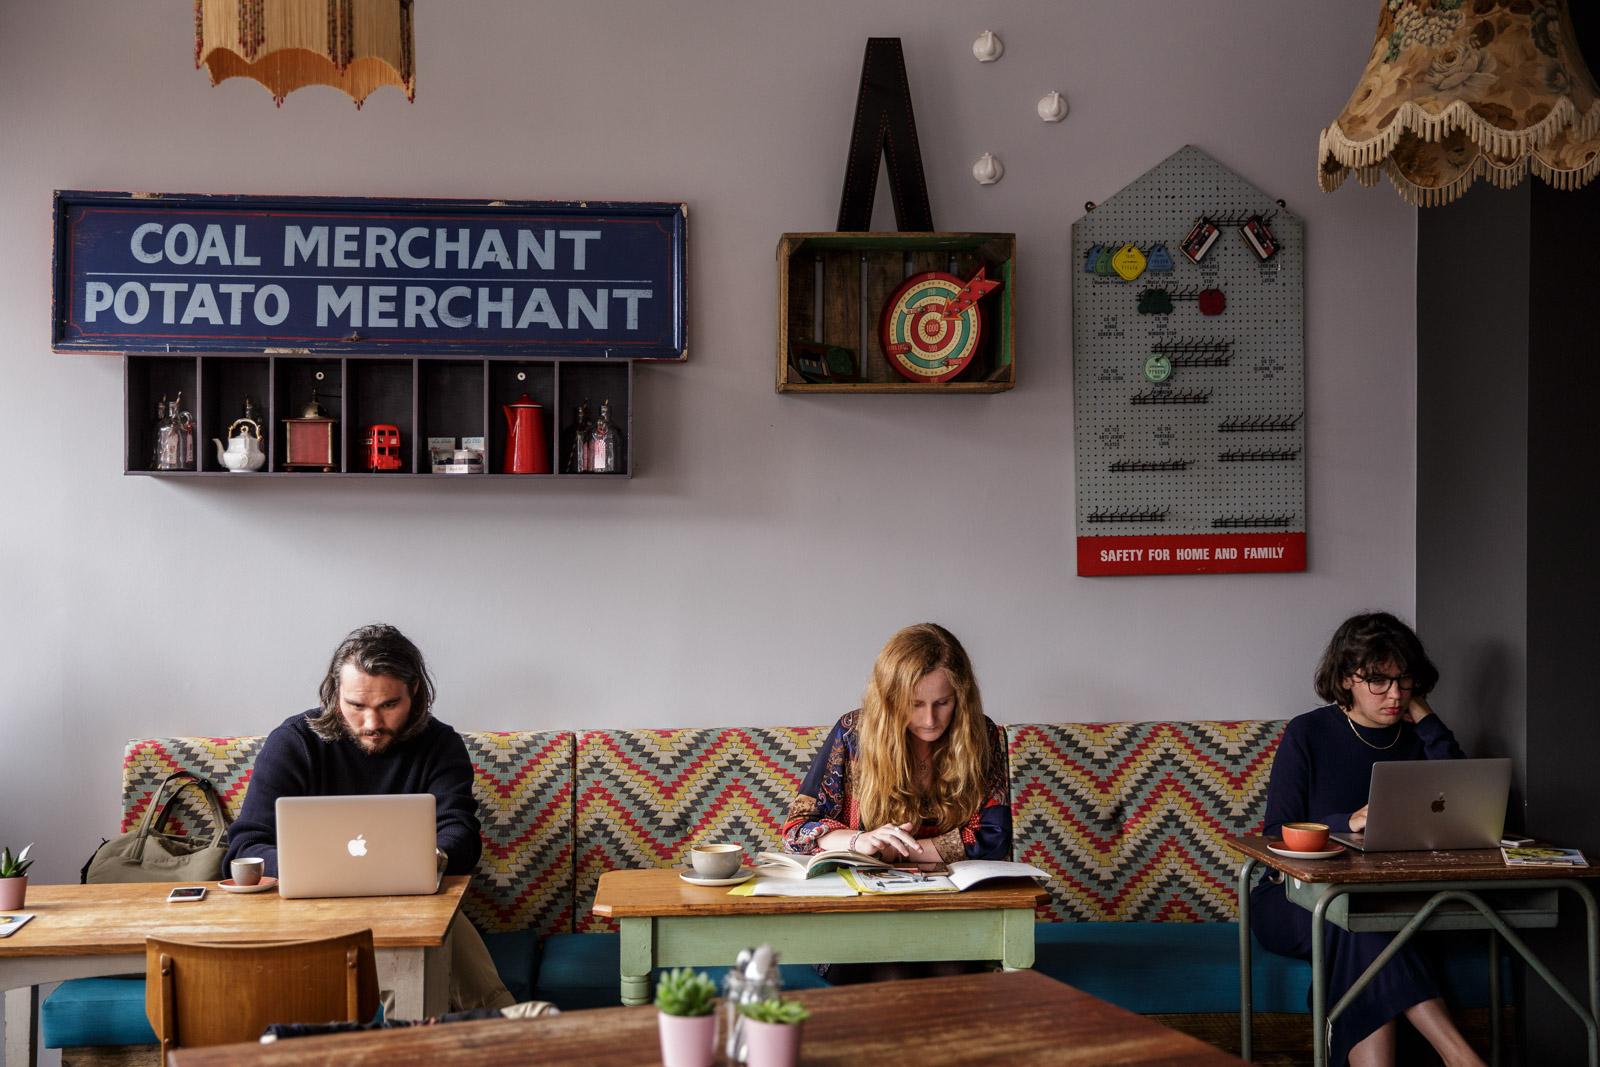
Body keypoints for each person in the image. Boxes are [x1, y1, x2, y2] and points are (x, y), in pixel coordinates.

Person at [225, 623, 523, 1014]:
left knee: (436, 924)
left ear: (414, 692)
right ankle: (510, 1024)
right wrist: (315, 871)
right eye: (356, 706)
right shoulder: (295, 742)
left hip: (409, 907)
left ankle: (500, 1027)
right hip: (305, 912)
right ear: (335, 694)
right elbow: (246, 844)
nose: (371, 723)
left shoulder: (440, 744)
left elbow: (461, 832)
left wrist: (428, 860)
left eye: (388, 705)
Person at [1252, 612, 1484, 1067]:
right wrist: (1346, 822)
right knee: (1358, 919)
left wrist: (1427, 717)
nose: (1395, 694)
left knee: (1365, 921)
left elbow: (1462, 796)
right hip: (1293, 899)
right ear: (1344, 679)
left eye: (1404, 681)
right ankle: (1461, 1057)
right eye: (1378, 681)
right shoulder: (1309, 733)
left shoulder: (1418, 736)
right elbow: (1275, 830)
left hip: (1390, 900)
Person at [780, 623, 1010, 980]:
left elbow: (994, 837)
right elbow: (798, 827)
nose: (930, 719)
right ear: (890, 699)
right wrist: (861, 842)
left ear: (961, 698)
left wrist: (902, 850)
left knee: (954, 969)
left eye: (942, 703)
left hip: (948, 912)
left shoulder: (983, 736)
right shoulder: (852, 734)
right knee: (893, 969)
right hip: (856, 918)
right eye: (915, 705)